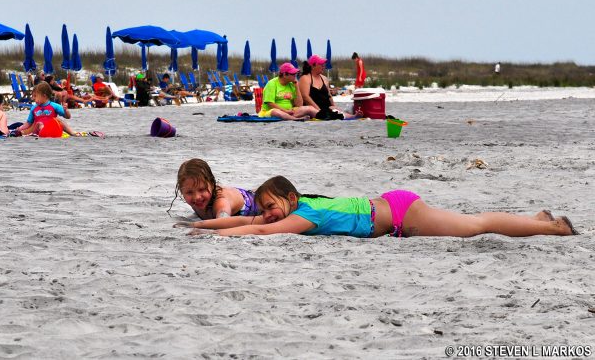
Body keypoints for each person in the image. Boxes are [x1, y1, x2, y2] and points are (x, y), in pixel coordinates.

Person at [177, 175, 579, 238]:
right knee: (471, 224)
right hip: (391, 207)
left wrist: (206, 233)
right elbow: (250, 219)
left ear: (291, 200)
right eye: (264, 207)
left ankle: (551, 227)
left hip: (404, 214)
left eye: (272, 206)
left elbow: (260, 231)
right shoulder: (302, 207)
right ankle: (536, 219)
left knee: (475, 226)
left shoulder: (306, 215)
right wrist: (199, 226)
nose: (267, 213)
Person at [169, 159, 260, 220]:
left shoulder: (220, 202)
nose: (197, 197)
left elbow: (223, 221)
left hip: (255, 201)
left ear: (212, 184)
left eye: (202, 189)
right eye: (189, 192)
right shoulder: (199, 200)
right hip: (238, 195)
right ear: (182, 191)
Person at [12, 82, 79, 137]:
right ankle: (22, 132)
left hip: (51, 129)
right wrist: (19, 128)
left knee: (59, 120)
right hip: (37, 130)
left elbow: (68, 117)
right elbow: (28, 123)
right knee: (38, 123)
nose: (33, 99)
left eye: (35, 96)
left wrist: (66, 110)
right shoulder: (34, 108)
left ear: (44, 95)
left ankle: (72, 133)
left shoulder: (54, 106)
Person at [298, 55, 353, 120]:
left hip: (326, 108)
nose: (323, 66)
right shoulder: (305, 78)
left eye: (324, 64)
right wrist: (318, 110)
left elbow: (329, 95)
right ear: (313, 66)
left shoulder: (324, 79)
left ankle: (352, 115)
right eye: (321, 64)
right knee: (331, 115)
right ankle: (351, 115)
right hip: (313, 108)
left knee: (340, 113)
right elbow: (305, 97)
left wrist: (334, 106)